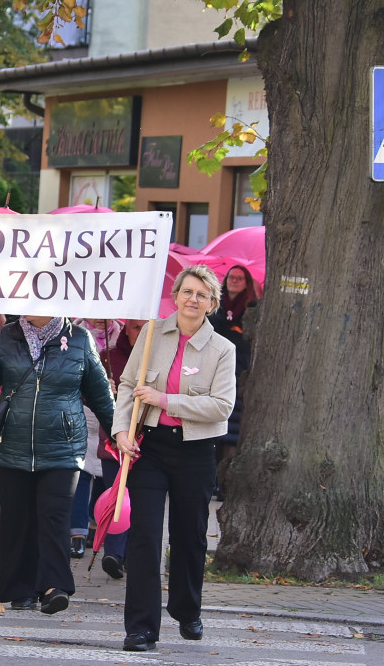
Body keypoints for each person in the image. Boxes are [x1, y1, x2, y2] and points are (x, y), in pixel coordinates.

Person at [112, 265, 236, 651]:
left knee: (189, 535)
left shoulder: (223, 350)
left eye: (201, 294)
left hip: (195, 450)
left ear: (211, 303)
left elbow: (222, 406)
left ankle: (186, 609)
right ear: (176, 295)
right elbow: (129, 385)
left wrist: (166, 400)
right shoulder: (151, 333)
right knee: (145, 536)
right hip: (150, 447)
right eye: (187, 292)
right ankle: (140, 628)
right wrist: (120, 433)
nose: (192, 299)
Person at [0, 314, 114, 615]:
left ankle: (53, 587)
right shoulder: (8, 335)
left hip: (63, 446)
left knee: (55, 517)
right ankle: (21, 590)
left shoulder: (80, 339)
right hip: (15, 444)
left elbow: (100, 394)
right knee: (18, 520)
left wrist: (120, 433)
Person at [98, 317, 147, 579]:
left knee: (139, 500)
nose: (141, 332)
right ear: (125, 329)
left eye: (145, 327)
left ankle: (130, 554)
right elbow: (88, 393)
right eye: (136, 327)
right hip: (115, 439)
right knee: (115, 496)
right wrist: (106, 390)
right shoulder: (108, 356)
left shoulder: (157, 358)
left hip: (147, 440)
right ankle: (113, 553)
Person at [69, 318, 122, 558]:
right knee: (80, 474)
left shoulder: (119, 338)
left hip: (107, 416)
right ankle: (76, 534)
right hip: (82, 412)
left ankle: (94, 525)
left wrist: (112, 388)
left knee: (102, 473)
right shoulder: (74, 334)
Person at [207, 264, 258, 496]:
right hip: (214, 371)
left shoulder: (252, 307)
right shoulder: (216, 305)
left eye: (239, 278)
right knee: (213, 426)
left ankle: (224, 481)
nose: (234, 281)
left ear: (246, 283)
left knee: (232, 428)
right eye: (230, 277)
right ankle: (210, 479)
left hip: (238, 373)